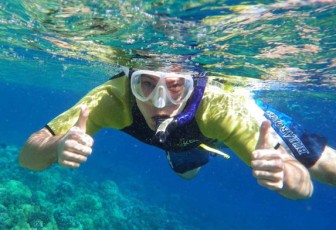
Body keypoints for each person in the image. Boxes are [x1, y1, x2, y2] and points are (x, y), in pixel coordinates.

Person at [19, 66, 335, 200]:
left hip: (216, 127)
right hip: (186, 144)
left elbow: (303, 189)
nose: (160, 103)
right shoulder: (111, 99)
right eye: (146, 83)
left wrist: (284, 173)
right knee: (187, 172)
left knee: (323, 167)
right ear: (129, 79)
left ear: (192, 82)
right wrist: (56, 146)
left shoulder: (217, 106)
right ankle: (186, 152)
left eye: (175, 86)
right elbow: (27, 157)